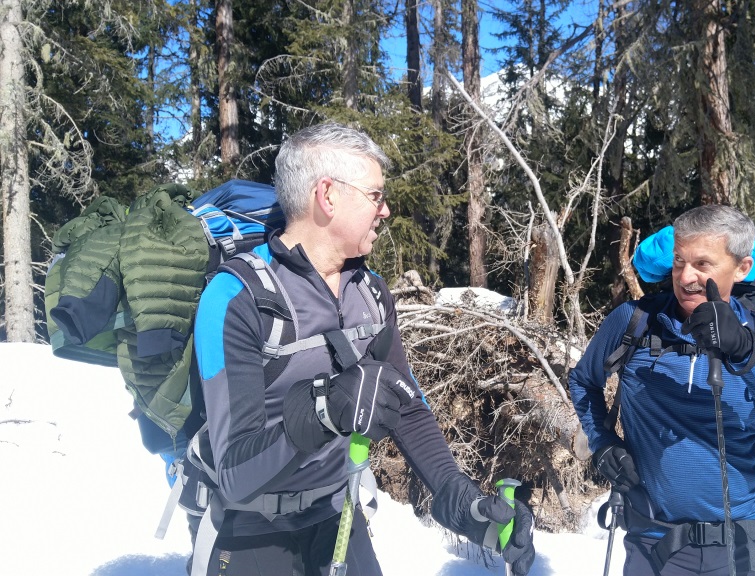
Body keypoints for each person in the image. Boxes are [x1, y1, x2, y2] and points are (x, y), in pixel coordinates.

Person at [189, 122, 536, 576]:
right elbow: (235, 473)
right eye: (375, 195)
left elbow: (406, 404)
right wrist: (325, 411)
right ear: (327, 195)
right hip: (250, 530)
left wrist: (458, 498)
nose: (385, 210)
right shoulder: (235, 297)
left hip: (336, 513)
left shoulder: (370, 293)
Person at [569, 204, 755, 576]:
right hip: (655, 538)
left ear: (742, 268)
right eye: (678, 262)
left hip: (748, 541)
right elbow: (583, 381)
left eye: (702, 264)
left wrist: (746, 352)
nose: (686, 277)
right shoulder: (635, 322)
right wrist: (602, 441)